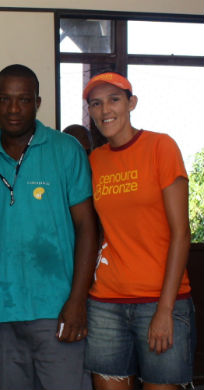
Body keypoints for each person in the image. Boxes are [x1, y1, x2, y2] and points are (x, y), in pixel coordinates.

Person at [0, 64, 98, 389]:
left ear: (37, 102)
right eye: (5, 99)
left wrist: (77, 301)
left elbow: (88, 229)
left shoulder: (66, 150)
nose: (13, 109)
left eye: (24, 100)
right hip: (1, 310)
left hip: (57, 310)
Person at [83, 72, 194, 389]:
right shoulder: (95, 161)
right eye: (96, 103)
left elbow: (181, 234)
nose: (106, 110)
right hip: (105, 303)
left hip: (159, 301)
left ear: (131, 103)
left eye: (114, 100)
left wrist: (165, 309)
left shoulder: (161, 146)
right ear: (90, 111)